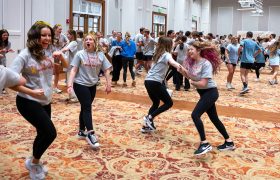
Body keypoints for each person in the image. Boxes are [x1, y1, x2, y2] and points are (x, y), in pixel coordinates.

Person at [10, 21, 68, 179]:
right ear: (35, 36)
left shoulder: (50, 50)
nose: (47, 38)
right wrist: (31, 91)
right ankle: (34, 163)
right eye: (43, 35)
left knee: (43, 133)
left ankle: (35, 161)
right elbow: (9, 82)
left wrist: (61, 56)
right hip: (27, 101)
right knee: (50, 133)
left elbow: (65, 67)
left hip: (45, 100)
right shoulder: (24, 55)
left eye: (49, 35)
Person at [178, 41, 235, 155]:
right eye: (188, 50)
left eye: (191, 49)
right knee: (214, 118)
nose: (189, 52)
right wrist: (183, 72)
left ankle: (204, 143)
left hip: (210, 92)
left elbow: (203, 83)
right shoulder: (194, 63)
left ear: (198, 51)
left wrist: (191, 82)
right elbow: (191, 76)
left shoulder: (206, 63)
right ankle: (229, 142)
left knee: (195, 115)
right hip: (204, 94)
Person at [67, 33, 112, 149]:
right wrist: (69, 85)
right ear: (84, 42)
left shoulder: (100, 55)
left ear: (94, 42)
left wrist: (109, 84)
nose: (88, 41)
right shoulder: (80, 54)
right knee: (87, 107)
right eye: (86, 39)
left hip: (92, 85)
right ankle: (90, 134)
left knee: (84, 106)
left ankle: (81, 131)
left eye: (90, 39)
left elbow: (106, 70)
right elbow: (73, 70)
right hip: (80, 84)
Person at [141, 37, 182, 133]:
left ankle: (147, 126)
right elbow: (172, 62)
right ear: (168, 45)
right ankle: (149, 117)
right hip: (154, 82)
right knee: (169, 103)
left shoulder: (157, 54)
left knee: (156, 102)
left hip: (148, 81)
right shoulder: (167, 55)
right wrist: (180, 67)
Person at [61, 29, 78, 102]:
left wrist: (58, 52)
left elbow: (65, 49)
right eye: (67, 34)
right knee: (68, 80)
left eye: (69, 34)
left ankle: (74, 97)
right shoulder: (69, 42)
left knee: (70, 81)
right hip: (68, 64)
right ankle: (71, 96)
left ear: (72, 35)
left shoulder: (74, 42)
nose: (67, 35)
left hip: (72, 64)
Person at [53, 24, 69, 93]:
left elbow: (68, 41)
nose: (61, 30)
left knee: (57, 72)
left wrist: (63, 47)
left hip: (59, 55)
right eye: (59, 29)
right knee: (49, 72)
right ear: (55, 29)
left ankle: (55, 87)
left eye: (61, 29)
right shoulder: (51, 36)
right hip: (51, 55)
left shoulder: (62, 36)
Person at [0, 29, 15, 93]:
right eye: (4, 35)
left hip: (2, 59)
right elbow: (2, 51)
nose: (5, 36)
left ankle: (2, 88)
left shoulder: (8, 43)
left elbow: (5, 52)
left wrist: (8, 51)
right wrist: (1, 51)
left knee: (3, 73)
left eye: (7, 35)